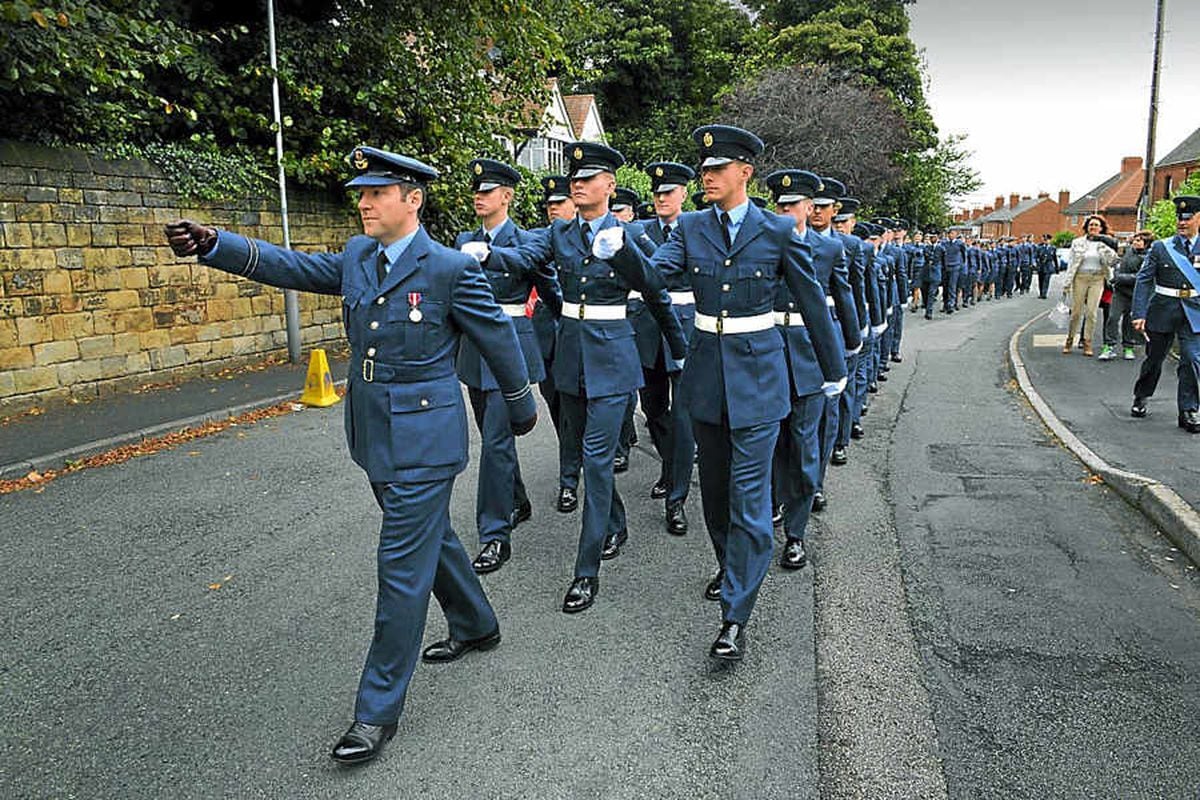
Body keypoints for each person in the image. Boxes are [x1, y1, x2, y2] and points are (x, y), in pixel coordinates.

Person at [164, 146, 538, 765]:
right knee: (428, 539)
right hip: (372, 430)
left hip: (425, 439)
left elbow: (496, 337)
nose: (363, 202)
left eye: (377, 193)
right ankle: (476, 622)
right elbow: (298, 268)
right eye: (361, 193)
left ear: (412, 199)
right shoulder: (361, 254)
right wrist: (216, 245)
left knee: (399, 567)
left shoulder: (447, 268)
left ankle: (375, 713)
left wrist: (520, 404)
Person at [608, 125, 846, 661]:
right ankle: (730, 563)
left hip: (761, 379)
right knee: (713, 496)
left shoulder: (778, 231)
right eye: (703, 169)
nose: (706, 178)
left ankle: (735, 614)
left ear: (745, 172)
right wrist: (620, 252)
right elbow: (653, 278)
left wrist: (833, 370)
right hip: (707, 379)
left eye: (717, 170)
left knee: (749, 501)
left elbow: (811, 303)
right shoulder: (690, 228)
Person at [514, 141, 685, 614]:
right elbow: (523, 258)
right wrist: (481, 258)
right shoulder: (560, 234)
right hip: (570, 358)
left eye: (588, 178)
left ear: (609, 186)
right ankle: (617, 522)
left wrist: (680, 350)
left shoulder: (626, 235)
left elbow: (654, 290)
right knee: (579, 449)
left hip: (612, 361)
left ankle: (585, 573)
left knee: (595, 460)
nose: (578, 183)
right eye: (575, 178)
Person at [454, 158, 559, 573]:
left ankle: (494, 534)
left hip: (512, 348)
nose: (479, 197)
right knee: (493, 434)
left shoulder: (525, 240)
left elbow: (539, 278)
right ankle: (516, 499)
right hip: (474, 351)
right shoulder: (464, 239)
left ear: (507, 196)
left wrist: (565, 332)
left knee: (496, 440)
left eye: (487, 191)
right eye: (476, 191)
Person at [636, 161, 698, 535]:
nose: (661, 198)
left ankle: (677, 498)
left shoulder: (696, 230)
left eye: (668, 193)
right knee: (653, 408)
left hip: (685, 326)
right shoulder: (639, 231)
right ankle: (671, 462)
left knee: (683, 414)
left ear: (683, 195)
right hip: (647, 329)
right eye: (657, 194)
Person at [1131, 196, 1200, 431]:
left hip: (1194, 313)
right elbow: (1143, 279)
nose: (1182, 223)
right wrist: (1138, 313)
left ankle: (1188, 410)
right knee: (1154, 359)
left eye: (1188, 219)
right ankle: (1142, 395)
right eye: (1180, 219)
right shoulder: (1162, 247)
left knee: (1191, 360)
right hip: (1162, 310)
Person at [533, 175, 580, 512]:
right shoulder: (538, 241)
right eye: (549, 205)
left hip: (577, 340)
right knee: (555, 407)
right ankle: (572, 462)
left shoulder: (586, 239)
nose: (553, 209)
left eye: (559, 203)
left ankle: (569, 481)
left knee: (575, 414)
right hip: (546, 339)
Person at [1062, 214, 1118, 357]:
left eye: (1096, 225)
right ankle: (1069, 340)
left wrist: (1109, 247)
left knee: (1091, 313)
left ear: (1101, 228)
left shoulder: (1105, 243)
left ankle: (1087, 342)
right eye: (1091, 225)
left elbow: (1113, 261)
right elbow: (1071, 263)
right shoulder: (1077, 242)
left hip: (1097, 278)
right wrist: (1067, 283)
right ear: (1086, 227)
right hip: (1080, 277)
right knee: (1076, 312)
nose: (1093, 227)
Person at [1100, 231, 1151, 361]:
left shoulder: (1148, 258)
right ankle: (1108, 346)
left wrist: (1119, 278)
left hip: (1136, 294)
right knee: (1113, 317)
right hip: (1120, 292)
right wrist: (1099, 236)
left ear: (1146, 243)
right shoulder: (1126, 250)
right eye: (1135, 239)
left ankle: (1128, 347)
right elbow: (1117, 260)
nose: (1136, 242)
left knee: (1129, 322)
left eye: (1139, 240)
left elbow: (1140, 277)